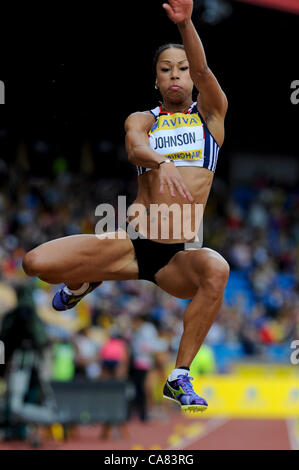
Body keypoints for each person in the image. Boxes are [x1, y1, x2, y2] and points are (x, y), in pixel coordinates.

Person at [22, 0, 229, 413]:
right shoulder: (143, 119)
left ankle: (179, 376)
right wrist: (161, 161)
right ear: (155, 80)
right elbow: (135, 148)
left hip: (178, 257)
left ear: (194, 76)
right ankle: (88, 279)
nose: (176, 75)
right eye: (166, 69)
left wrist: (187, 23)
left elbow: (205, 71)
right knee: (34, 263)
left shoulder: (211, 118)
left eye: (183, 68)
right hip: (133, 243)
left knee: (217, 269)